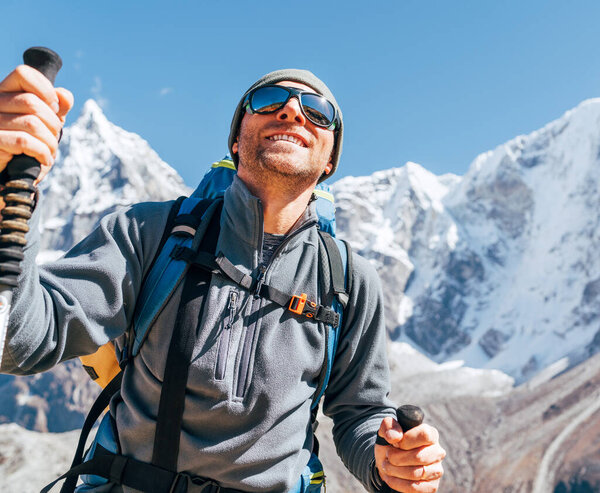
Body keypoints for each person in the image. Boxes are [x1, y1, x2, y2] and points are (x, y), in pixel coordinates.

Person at [0, 64, 446, 492]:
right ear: (236, 140)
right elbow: (20, 339)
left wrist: (389, 462)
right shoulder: (149, 233)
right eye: (268, 100)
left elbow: (360, 413)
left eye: (318, 111)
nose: (291, 111)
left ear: (330, 161)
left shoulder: (348, 280)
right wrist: (10, 197)